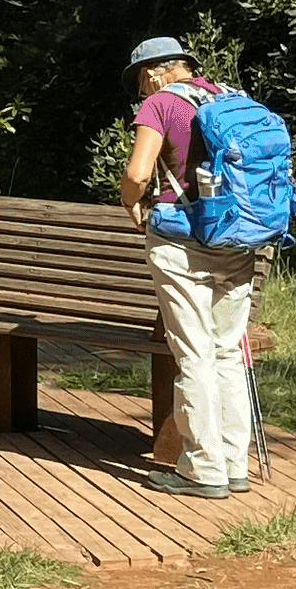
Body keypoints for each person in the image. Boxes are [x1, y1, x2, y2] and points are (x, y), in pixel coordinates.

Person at [116, 34, 261, 498]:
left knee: (194, 353)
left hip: (182, 243)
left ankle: (203, 470)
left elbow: (138, 174)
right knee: (227, 352)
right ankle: (234, 465)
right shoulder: (229, 98)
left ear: (152, 73)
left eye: (141, 83)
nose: (141, 92)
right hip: (237, 239)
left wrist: (129, 202)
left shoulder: (161, 103)